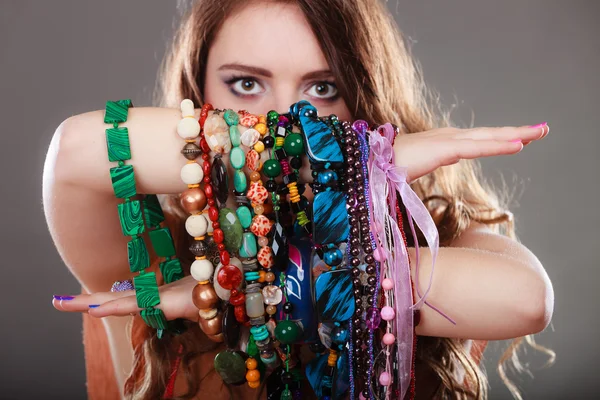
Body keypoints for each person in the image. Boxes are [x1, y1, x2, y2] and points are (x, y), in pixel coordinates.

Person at [43, 0, 555, 399]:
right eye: (245, 84)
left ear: (362, 94)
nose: (289, 115)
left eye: (322, 89)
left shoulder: (434, 233)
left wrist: (244, 289)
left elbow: (527, 299)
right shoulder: (162, 257)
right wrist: (343, 157)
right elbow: (78, 151)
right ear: (196, 91)